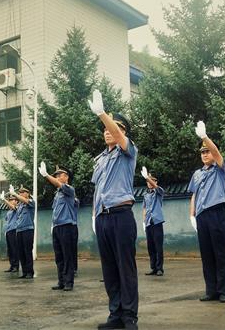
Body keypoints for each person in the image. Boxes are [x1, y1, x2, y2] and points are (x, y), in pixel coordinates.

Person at [88, 89, 139, 330]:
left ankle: (129, 316)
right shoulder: (100, 159)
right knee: (109, 269)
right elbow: (98, 190)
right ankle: (115, 314)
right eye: (105, 128)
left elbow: (119, 136)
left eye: (114, 127)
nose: (108, 130)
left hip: (121, 215)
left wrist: (101, 113)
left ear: (122, 132)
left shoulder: (128, 151)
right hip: (103, 217)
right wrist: (94, 215)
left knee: (125, 267)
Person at [187, 121, 225, 303]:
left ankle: (223, 291)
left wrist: (205, 137)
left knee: (220, 253)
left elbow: (218, 154)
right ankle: (211, 290)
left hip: (217, 213)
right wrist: (192, 214)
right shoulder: (197, 174)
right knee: (207, 254)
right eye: (202, 152)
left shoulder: (220, 169)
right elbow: (194, 195)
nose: (205, 154)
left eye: (208, 151)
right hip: (202, 216)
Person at [39, 162, 78, 291]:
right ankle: (61, 281)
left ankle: (69, 282)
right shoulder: (57, 194)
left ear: (66, 177)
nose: (57, 177)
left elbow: (58, 184)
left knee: (67, 256)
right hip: (57, 227)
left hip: (67, 226)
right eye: (56, 175)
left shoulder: (69, 190)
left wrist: (46, 175)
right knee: (59, 256)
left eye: (59, 175)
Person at [141, 167, 165, 277]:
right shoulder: (145, 195)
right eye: (147, 181)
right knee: (150, 247)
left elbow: (157, 188)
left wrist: (147, 177)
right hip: (148, 223)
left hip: (157, 222)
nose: (149, 183)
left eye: (151, 180)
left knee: (158, 246)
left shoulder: (159, 192)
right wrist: (143, 221)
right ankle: (153, 268)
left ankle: (160, 268)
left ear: (156, 182)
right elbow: (144, 208)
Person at [10, 185, 35, 279]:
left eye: (22, 193)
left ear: (27, 194)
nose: (20, 194)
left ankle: (30, 272)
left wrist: (15, 194)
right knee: (21, 252)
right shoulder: (20, 206)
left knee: (27, 251)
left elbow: (25, 201)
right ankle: (24, 272)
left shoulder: (31, 202)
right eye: (19, 193)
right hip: (19, 230)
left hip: (28, 230)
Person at [1, 191, 20, 273]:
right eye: (10, 200)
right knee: (10, 249)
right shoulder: (9, 212)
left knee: (15, 248)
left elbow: (12, 206)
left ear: (16, 201)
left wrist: (4, 200)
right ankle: (12, 265)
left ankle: (16, 266)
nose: (11, 201)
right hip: (8, 231)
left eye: (13, 200)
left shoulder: (17, 209)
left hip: (14, 230)